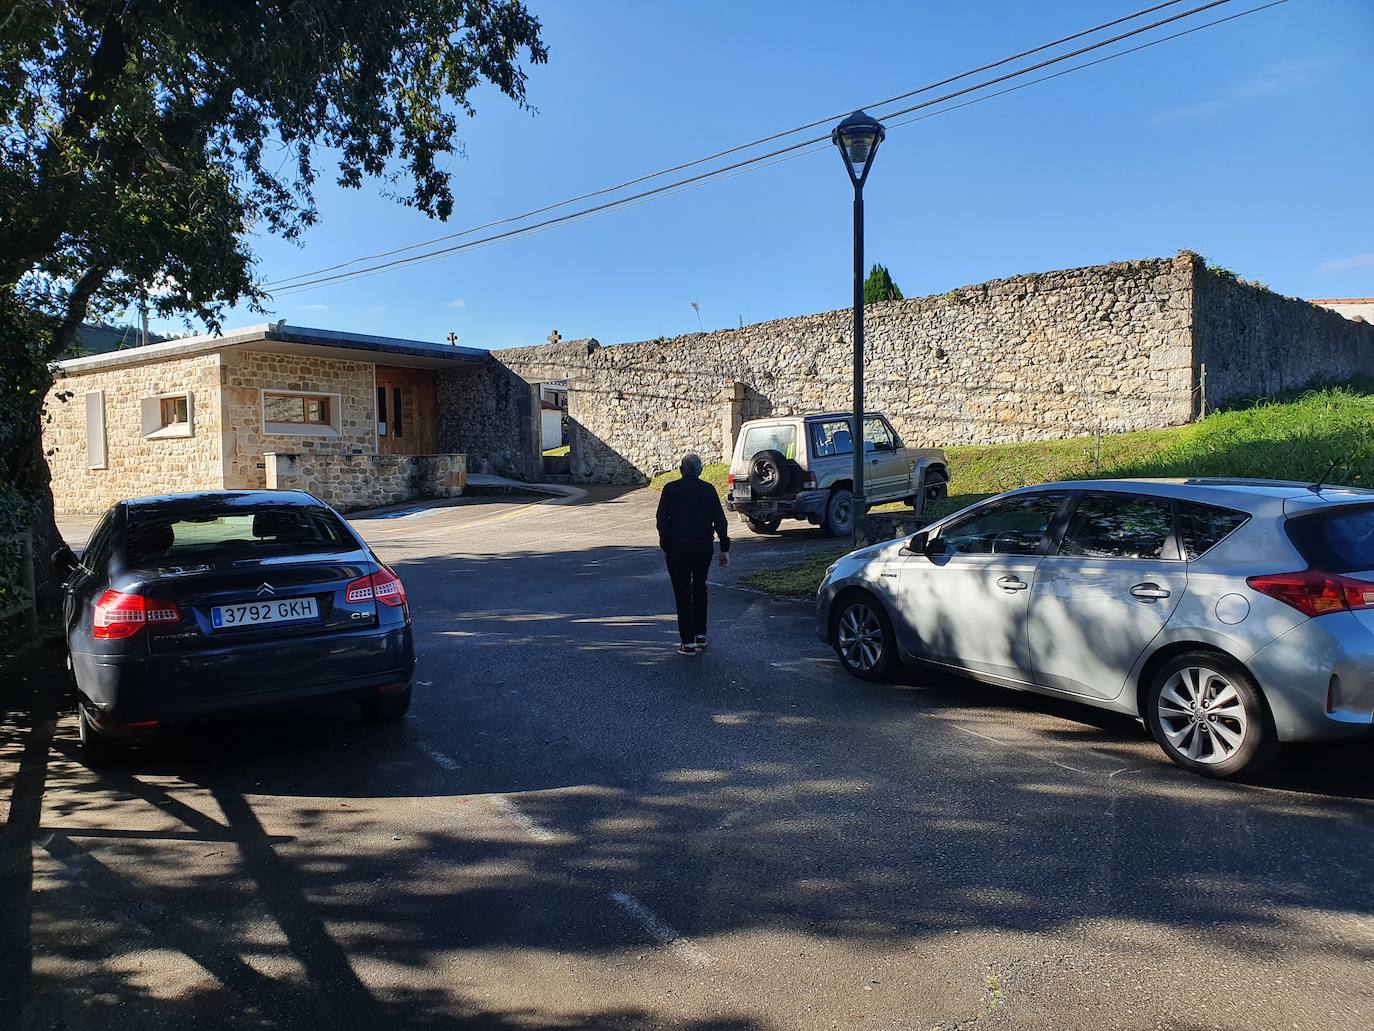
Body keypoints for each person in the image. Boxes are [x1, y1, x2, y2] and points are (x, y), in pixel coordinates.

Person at [655, 453, 730, 655]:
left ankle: (687, 642)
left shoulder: (670, 490)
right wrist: (724, 547)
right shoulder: (708, 490)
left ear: (681, 470)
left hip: (677, 548)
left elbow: (662, 519)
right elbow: (720, 520)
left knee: (682, 592)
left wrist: (665, 543)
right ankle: (701, 634)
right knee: (699, 587)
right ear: (700, 471)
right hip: (702, 546)